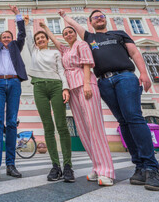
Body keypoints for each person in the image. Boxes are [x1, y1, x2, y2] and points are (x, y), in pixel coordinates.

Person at [57, 9, 159, 191]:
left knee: (134, 118)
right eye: (95, 17)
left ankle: (152, 168)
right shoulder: (90, 37)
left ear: (105, 20)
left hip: (125, 77)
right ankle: (139, 166)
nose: (99, 19)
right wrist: (64, 16)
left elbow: (135, 53)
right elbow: (74, 27)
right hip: (104, 82)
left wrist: (144, 73)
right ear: (90, 22)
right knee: (123, 122)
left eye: (101, 16)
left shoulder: (119, 34)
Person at [39, 21, 115, 186]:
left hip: (85, 85)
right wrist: (46, 29)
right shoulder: (67, 50)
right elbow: (57, 42)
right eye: (65, 33)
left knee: (94, 127)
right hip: (72, 89)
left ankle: (106, 171)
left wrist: (87, 83)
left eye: (70, 32)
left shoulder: (82, 44)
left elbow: (87, 63)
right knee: (83, 129)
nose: (67, 35)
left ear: (75, 34)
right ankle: (97, 166)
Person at [24, 16, 75, 182]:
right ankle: (55, 166)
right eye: (37, 38)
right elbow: (27, 36)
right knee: (48, 126)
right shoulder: (34, 52)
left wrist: (65, 88)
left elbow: (61, 70)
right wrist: (26, 24)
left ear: (47, 39)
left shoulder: (54, 52)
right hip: (39, 87)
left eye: (42, 37)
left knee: (61, 125)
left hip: (56, 87)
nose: (39, 40)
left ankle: (67, 166)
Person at [0, 4, 27, 182]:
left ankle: (10, 165)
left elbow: (22, 33)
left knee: (12, 122)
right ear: (0, 40)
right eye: (4, 37)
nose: (6, 39)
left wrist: (18, 14)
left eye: (8, 36)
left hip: (15, 82)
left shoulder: (17, 46)